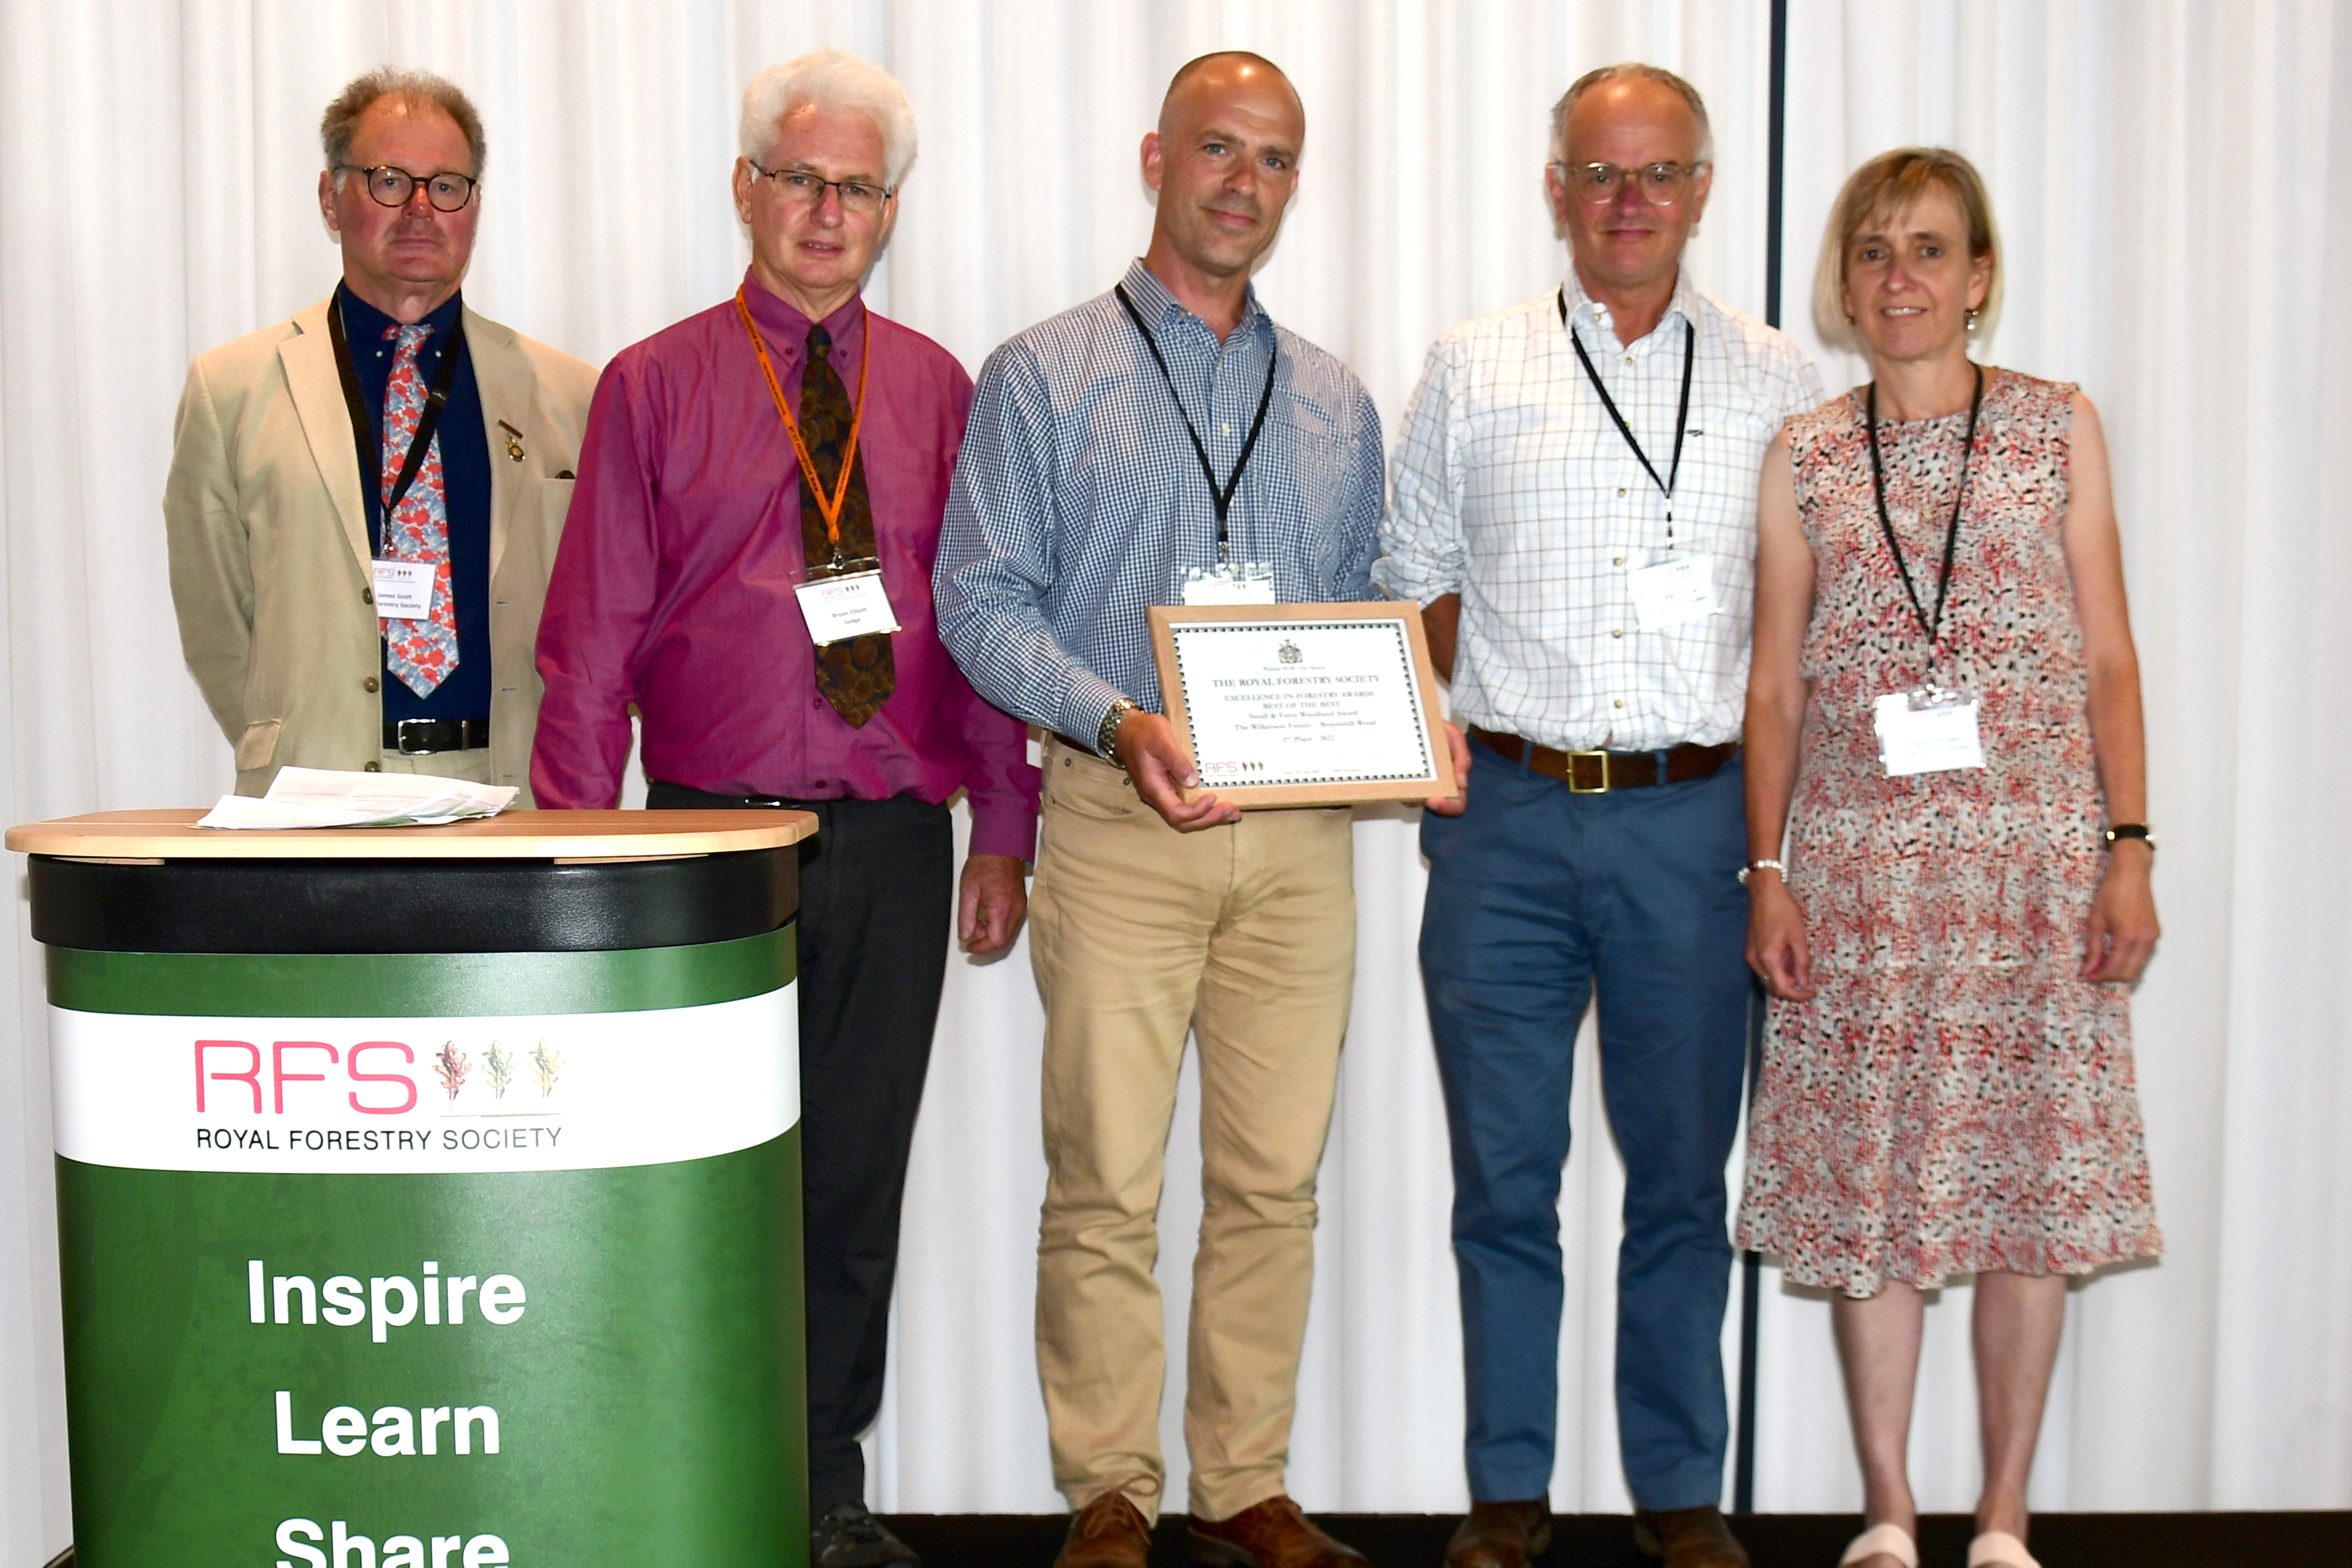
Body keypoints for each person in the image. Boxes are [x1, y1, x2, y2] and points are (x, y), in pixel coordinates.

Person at [935, 51, 1460, 1568]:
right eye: (1217, 149)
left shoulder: (1335, 399)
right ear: (1153, 157)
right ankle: (1108, 1488)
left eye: (1275, 159)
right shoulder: (1041, 372)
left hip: (1298, 845)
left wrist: (1418, 723)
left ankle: (1243, 1482)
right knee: (1101, 1172)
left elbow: (1370, 611)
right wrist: (1115, 718)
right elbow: (978, 603)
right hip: (1121, 814)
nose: (1243, 182)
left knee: (1271, 1178)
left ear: (1297, 186)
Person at [529, 50, 1037, 1568]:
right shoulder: (653, 383)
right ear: (746, 188)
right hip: (700, 843)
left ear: (890, 210)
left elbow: (985, 618)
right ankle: (687, 1461)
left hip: (889, 835)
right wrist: (576, 849)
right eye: (800, 179)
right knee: (698, 1178)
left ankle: (823, 1484)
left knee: (851, 1174)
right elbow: (592, 636)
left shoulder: (943, 388)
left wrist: (1002, 824)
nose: (827, 212)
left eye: (857, 188)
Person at [1378, 63, 1824, 1568]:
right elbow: (1409, 576)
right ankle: (1506, 1490)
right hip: (1500, 821)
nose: (1627, 203)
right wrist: (1421, 732)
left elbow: (1807, 621)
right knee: (1502, 1182)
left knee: (1679, 1183)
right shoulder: (1473, 362)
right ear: (1554, 189)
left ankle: (1677, 1494)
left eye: (1657, 175)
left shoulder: (1776, 383)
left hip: (1690, 832)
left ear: (1699, 190)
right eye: (1599, 174)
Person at [1736, 147, 2160, 1568]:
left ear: (1976, 278)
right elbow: (1774, 688)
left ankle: (1996, 1516)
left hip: (2034, 874)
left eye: (1926, 250)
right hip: (1855, 882)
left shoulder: (2054, 427)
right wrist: (1766, 869)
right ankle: (1887, 1510)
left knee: (2023, 1187)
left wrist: (2127, 850)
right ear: (1840, 282)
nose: (1897, 277)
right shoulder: (1802, 451)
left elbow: (2105, 656)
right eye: (1870, 251)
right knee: (1872, 1194)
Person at [166, 68, 597, 798]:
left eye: (447, 185)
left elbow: (589, 618)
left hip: (510, 795)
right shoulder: (232, 389)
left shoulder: (568, 393)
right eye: (390, 181)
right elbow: (216, 615)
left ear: (475, 207)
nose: (422, 208)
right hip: (315, 793)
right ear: (332, 199)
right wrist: (298, 729)